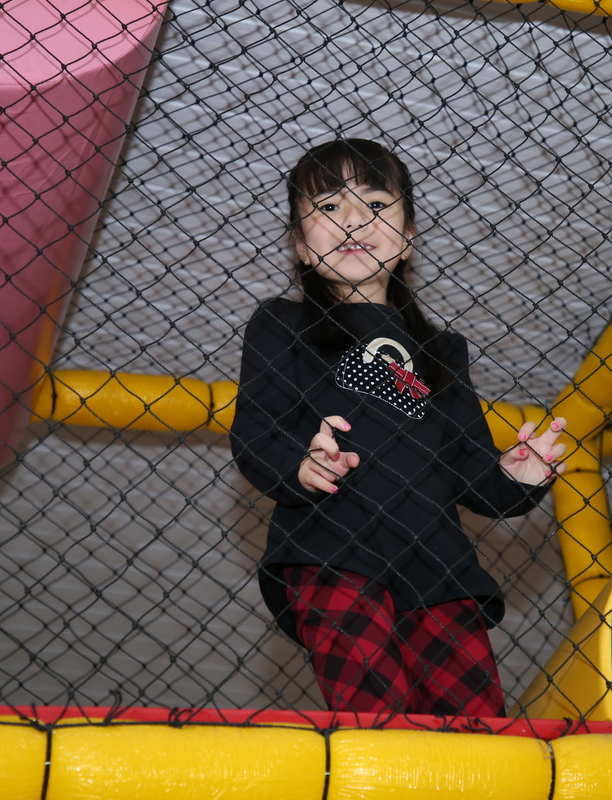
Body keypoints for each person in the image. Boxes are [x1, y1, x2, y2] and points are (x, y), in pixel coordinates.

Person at [230, 138, 567, 717]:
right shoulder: (282, 325)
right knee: (376, 722)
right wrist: (302, 465)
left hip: (439, 568)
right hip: (333, 549)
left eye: (376, 204)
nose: (354, 217)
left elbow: (472, 472)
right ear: (301, 247)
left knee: (476, 730)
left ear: (408, 238)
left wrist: (519, 477)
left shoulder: (442, 353)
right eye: (329, 206)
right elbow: (257, 432)